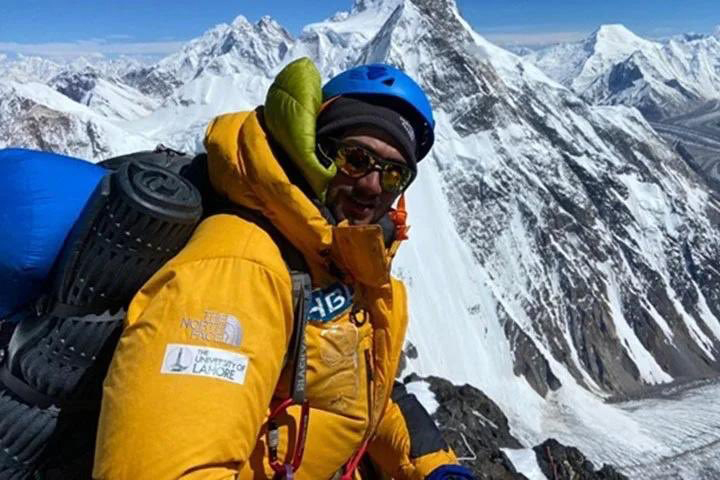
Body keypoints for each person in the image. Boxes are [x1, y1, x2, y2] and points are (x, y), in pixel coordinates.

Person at [93, 57, 475, 480]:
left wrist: (433, 467)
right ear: (316, 152)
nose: (371, 186)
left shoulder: (335, 258)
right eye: (355, 158)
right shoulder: (240, 269)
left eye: (393, 175)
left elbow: (359, 391)